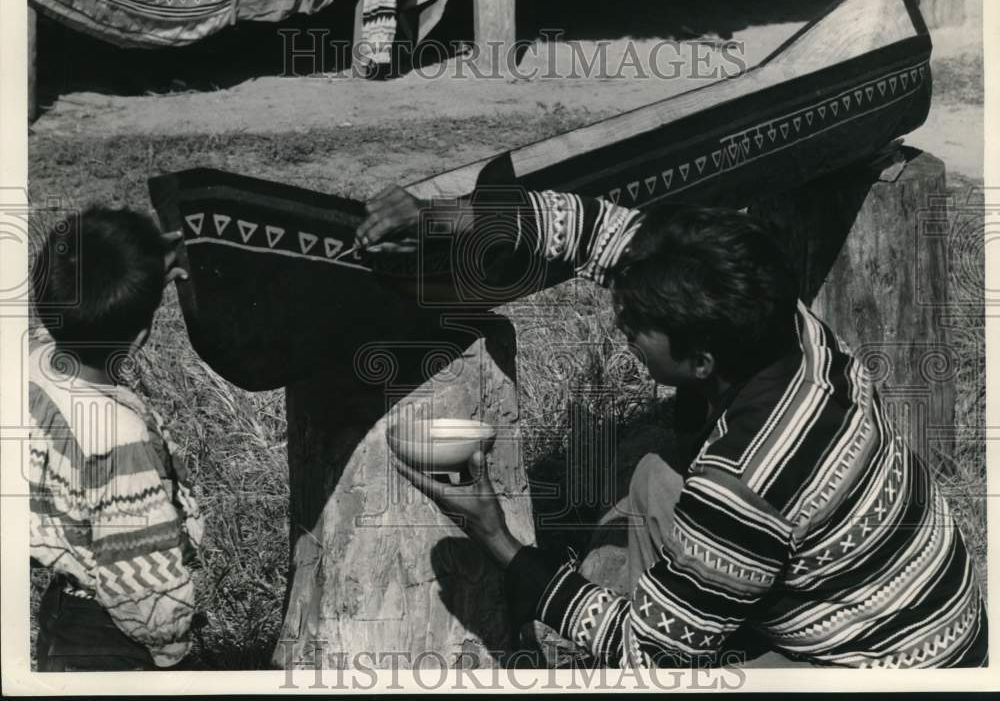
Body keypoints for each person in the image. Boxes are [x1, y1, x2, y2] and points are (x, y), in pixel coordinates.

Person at [357, 185, 988, 668]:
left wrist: (496, 536)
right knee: (654, 479)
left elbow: (646, 659)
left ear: (701, 360)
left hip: (893, 665)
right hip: (931, 608)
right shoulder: (779, 320)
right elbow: (599, 231)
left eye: (635, 324)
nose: (620, 326)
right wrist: (441, 217)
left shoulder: (744, 482)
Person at [29, 206, 204, 671]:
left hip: (63, 617)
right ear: (141, 339)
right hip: (113, 632)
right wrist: (169, 646)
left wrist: (141, 272)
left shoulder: (29, 364)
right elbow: (140, 571)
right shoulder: (118, 439)